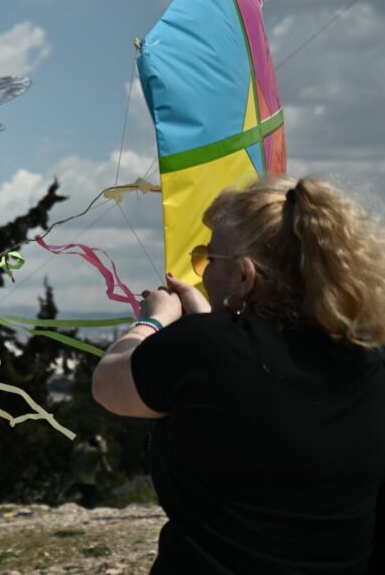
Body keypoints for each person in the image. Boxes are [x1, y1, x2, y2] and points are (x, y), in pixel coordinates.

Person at [92, 176, 385, 573]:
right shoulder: (367, 359)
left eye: (208, 259)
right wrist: (210, 323)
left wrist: (153, 322)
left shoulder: (206, 351)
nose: (203, 270)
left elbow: (109, 384)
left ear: (245, 277)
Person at [67, 434, 109, 509]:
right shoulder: (93, 452)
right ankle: (85, 507)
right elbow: (104, 451)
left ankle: (79, 504)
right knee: (89, 497)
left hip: (77, 477)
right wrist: (103, 443)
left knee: (84, 495)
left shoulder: (80, 449)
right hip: (88, 480)